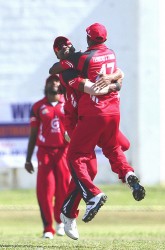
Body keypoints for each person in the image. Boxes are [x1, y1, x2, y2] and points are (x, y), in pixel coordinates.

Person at [48, 30, 143, 240]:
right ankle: (69, 214)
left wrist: (113, 77)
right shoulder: (66, 71)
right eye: (60, 47)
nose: (65, 48)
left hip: (95, 119)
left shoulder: (82, 59)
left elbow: (118, 71)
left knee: (121, 145)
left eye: (67, 45)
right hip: (78, 123)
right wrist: (115, 84)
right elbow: (92, 88)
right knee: (89, 168)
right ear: (57, 52)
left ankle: (125, 176)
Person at [24, 75, 71, 239]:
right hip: (45, 152)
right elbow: (33, 133)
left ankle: (60, 222)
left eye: (57, 81)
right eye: (51, 81)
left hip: (63, 152)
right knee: (46, 191)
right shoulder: (38, 106)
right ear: (46, 85)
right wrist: (28, 159)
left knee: (63, 189)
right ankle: (47, 228)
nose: (55, 83)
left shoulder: (68, 103)